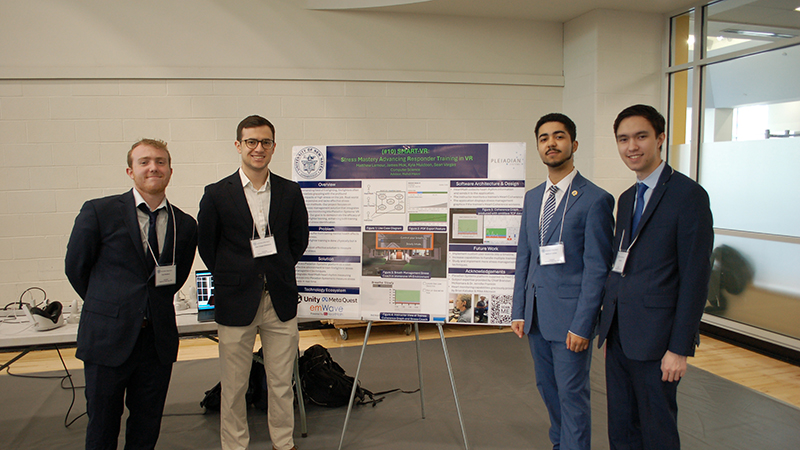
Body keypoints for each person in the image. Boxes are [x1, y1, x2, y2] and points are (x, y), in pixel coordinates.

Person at [65, 139, 198, 449]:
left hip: (156, 341)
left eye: (161, 161)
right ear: (130, 170)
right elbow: (76, 268)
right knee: (102, 423)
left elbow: (176, 277)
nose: (154, 167)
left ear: (170, 170)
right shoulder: (99, 211)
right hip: (107, 338)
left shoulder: (186, 224)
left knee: (147, 423)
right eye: (145, 161)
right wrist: (112, 305)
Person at [596, 104, 714, 449]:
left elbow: (695, 277)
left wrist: (679, 348)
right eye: (623, 139)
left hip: (658, 341)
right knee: (621, 426)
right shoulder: (627, 198)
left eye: (641, 136)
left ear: (660, 139)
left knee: (657, 429)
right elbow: (622, 264)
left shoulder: (688, 195)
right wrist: (607, 323)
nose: (632, 146)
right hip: (619, 335)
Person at [197, 115, 309, 450]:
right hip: (235, 300)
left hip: (279, 299)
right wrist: (234, 275)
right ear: (238, 145)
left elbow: (298, 239)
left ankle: (283, 442)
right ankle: (235, 445)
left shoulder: (290, 191)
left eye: (265, 142)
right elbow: (207, 245)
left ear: (273, 147)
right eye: (251, 142)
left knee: (281, 381)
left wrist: (278, 269)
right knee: (234, 385)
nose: (258, 149)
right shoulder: (216, 194)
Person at [512, 113, 614, 450]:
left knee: (572, 395)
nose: (551, 143)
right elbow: (525, 257)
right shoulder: (532, 197)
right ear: (538, 146)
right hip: (537, 316)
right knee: (548, 389)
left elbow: (597, 267)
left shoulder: (595, 199)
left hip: (571, 320)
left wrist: (584, 325)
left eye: (558, 136)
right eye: (544, 138)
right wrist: (518, 310)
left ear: (574, 144)